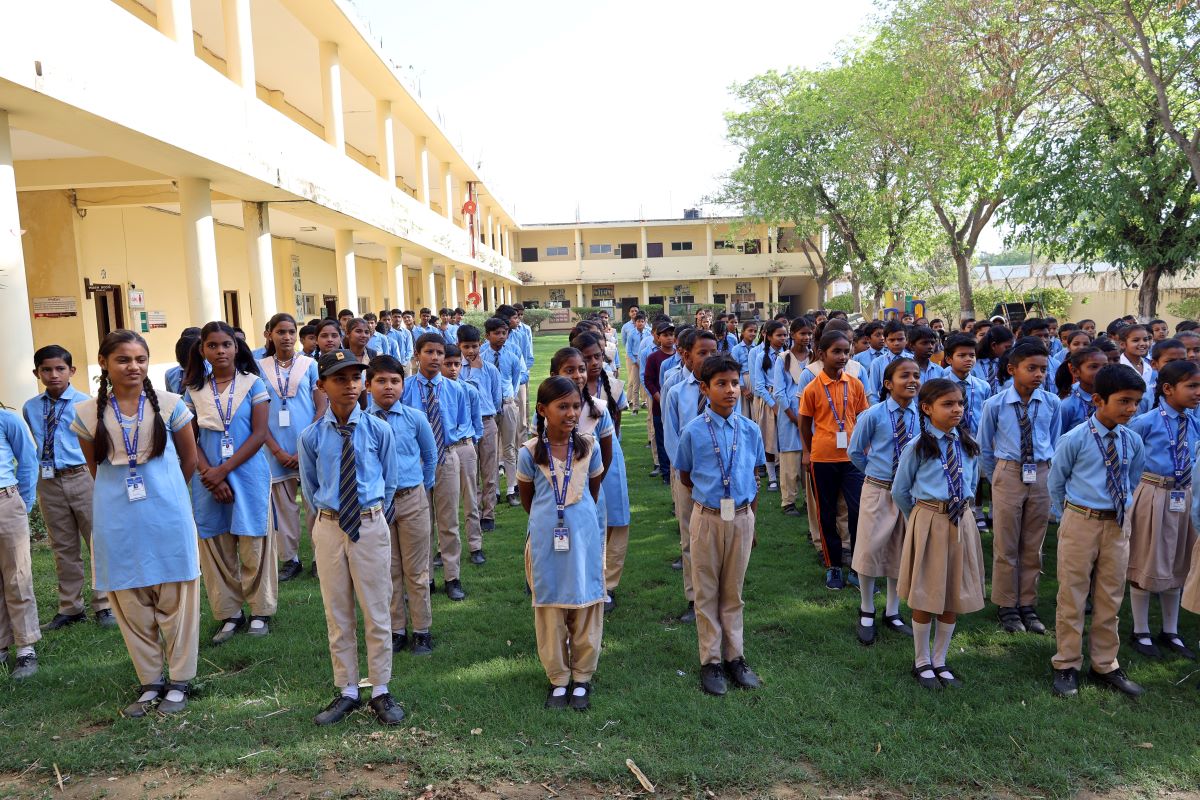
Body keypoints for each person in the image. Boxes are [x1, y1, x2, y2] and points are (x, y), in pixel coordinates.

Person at [71, 330, 201, 714]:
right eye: (123, 359)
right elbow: (95, 466)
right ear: (105, 364)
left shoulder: (171, 404)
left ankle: (179, 680)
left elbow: (189, 460)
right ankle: (150, 681)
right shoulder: (87, 413)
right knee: (130, 598)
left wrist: (166, 493)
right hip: (116, 519)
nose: (133, 366)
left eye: (140, 359)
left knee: (176, 596)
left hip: (167, 514)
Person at [299, 348, 404, 725]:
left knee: (377, 608)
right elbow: (310, 486)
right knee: (337, 611)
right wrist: (326, 520)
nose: (350, 385)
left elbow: (389, 480)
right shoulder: (311, 436)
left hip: (369, 522)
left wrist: (373, 515)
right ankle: (346, 689)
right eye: (340, 379)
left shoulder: (379, 429)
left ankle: (380, 689)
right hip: (329, 526)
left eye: (355, 378)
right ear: (322, 385)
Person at [1048, 364, 1147, 698]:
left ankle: (1106, 664)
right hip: (1080, 521)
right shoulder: (1075, 439)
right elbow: (1056, 482)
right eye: (1124, 401)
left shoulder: (1132, 440)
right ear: (1097, 400)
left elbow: (1131, 478)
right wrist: (1071, 517)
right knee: (1072, 594)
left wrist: (1119, 509)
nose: (1132, 409)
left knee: (1110, 596)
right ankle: (1066, 663)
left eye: (1136, 402)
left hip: (1117, 524)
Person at [676, 354, 766, 696]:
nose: (731, 390)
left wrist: (752, 521)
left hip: (742, 518)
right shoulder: (694, 431)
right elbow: (686, 476)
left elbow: (754, 477)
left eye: (734, 383)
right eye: (721, 384)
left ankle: (735, 657)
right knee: (707, 592)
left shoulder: (751, 429)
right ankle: (710, 661)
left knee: (734, 592)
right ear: (705, 388)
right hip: (708, 518)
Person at [182, 321, 274, 643]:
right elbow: (190, 438)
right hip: (207, 478)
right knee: (216, 543)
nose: (220, 351)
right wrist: (209, 473)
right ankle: (230, 613)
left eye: (226, 345)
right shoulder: (193, 391)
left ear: (236, 348)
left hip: (247, 473)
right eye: (213, 346)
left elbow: (260, 434)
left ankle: (260, 611)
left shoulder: (253, 384)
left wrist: (225, 470)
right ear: (203, 349)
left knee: (253, 542)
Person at [517, 377, 605, 711]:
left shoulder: (588, 447)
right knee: (550, 608)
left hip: (582, 541)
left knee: (584, 604)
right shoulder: (529, 453)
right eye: (562, 406)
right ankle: (558, 678)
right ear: (542, 410)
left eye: (575, 406)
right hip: (545, 542)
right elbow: (529, 501)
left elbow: (592, 491)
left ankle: (582, 676)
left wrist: (573, 518)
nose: (571, 413)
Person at [892, 379, 986, 690]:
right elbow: (900, 491)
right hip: (930, 518)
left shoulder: (968, 444)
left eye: (959, 403)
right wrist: (920, 520)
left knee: (953, 593)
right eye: (948, 404)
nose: (956, 409)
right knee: (927, 593)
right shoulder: (918, 446)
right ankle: (921, 661)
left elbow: (971, 483)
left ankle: (940, 658)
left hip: (963, 521)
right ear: (927, 408)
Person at [24, 345, 113, 630]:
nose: (53, 375)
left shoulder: (85, 404)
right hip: (49, 480)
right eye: (46, 370)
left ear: (71, 371)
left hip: (81, 476)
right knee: (63, 546)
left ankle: (105, 604)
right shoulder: (31, 407)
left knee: (96, 539)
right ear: (37, 373)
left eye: (60, 369)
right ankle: (70, 607)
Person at [978, 341, 1061, 635]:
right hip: (1008, 472)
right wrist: (997, 476)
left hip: (1040, 473)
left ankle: (1027, 602)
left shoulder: (1051, 403)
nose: (1038, 374)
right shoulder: (995, 404)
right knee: (1006, 543)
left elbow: (1054, 439)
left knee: (1033, 544)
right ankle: (1006, 604)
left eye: (1042, 369)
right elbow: (984, 446)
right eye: (1031, 368)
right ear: (1012, 370)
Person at [1126, 360, 1200, 660]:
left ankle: (1171, 630)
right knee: (1145, 557)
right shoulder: (1146, 422)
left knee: (1178, 560)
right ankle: (1140, 629)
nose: (1198, 392)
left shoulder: (1194, 421)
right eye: (1192, 386)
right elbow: (1127, 458)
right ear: (1168, 389)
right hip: (1153, 492)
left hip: (1184, 495)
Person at [366, 355, 437, 656]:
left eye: (394, 381)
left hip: (412, 500)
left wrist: (422, 488)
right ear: (368, 386)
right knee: (389, 570)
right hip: (379, 506)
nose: (388, 387)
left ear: (403, 384)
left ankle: (421, 630)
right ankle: (396, 630)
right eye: (380, 381)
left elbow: (430, 456)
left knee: (417, 570)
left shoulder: (414, 418)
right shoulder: (362, 422)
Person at [848, 357, 920, 645]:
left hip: (909, 493)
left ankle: (893, 611)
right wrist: (875, 475)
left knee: (899, 551)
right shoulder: (873, 415)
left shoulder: (923, 416)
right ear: (889, 384)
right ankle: (867, 608)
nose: (912, 380)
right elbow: (855, 452)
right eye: (905, 375)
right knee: (869, 549)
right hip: (878, 489)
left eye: (916, 375)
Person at [403, 334, 473, 601]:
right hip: (415, 461)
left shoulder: (456, 389)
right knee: (421, 523)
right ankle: (425, 578)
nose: (435, 358)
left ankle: (452, 576)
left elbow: (461, 422)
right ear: (417, 354)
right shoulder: (407, 388)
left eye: (439, 353)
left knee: (448, 520)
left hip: (446, 456)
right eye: (429, 352)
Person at [800, 330, 869, 590]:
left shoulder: (855, 383)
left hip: (852, 459)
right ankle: (834, 567)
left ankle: (857, 566)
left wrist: (866, 448)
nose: (842, 356)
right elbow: (805, 423)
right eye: (836, 351)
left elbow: (863, 418)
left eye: (846, 351)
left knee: (858, 510)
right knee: (826, 514)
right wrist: (807, 452)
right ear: (822, 354)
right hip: (823, 459)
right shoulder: (812, 388)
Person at [258, 314, 324, 583]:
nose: (286, 337)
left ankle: (321, 556)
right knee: (282, 506)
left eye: (291, 331)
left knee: (316, 503)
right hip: (274, 447)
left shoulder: (310, 364)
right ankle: (290, 559)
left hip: (307, 446)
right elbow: (257, 413)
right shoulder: (258, 367)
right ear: (269, 334)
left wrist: (304, 444)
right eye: (281, 332)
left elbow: (321, 406)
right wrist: (276, 450)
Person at [664, 330, 720, 622]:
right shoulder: (676, 391)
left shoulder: (723, 388)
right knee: (691, 537)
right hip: (687, 476)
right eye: (703, 353)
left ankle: (719, 595)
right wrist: (685, 473)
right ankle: (694, 597)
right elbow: (671, 437)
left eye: (713, 352)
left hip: (718, 476)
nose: (709, 358)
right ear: (688, 356)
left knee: (719, 535)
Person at [573, 333, 631, 613]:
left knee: (616, 519)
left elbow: (614, 430)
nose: (593, 363)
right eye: (586, 358)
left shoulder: (614, 386)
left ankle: (608, 584)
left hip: (610, 457)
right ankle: (583, 576)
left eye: (597, 356)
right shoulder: (567, 391)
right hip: (577, 463)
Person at [0, 390, 40, 681]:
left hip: (5, 501)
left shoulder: (7, 420)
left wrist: (23, 503)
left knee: (17, 575)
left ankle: (25, 648)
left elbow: (28, 460)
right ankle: (1, 644)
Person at [442, 343, 485, 564]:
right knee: (444, 504)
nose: (452, 369)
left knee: (470, 497)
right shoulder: (435, 391)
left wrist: (471, 442)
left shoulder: (469, 390)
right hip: (443, 449)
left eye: (456, 364)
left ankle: (475, 545)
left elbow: (478, 423)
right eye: (447, 364)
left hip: (465, 445)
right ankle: (443, 548)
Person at [459, 325, 503, 533]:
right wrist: (473, 372)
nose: (471, 351)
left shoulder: (490, 369)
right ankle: (474, 511)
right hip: (466, 425)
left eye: (474, 346)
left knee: (489, 468)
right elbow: (466, 394)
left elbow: (496, 398)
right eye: (466, 347)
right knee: (470, 472)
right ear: (459, 346)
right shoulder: (454, 370)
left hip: (486, 421)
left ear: (480, 345)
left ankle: (489, 513)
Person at [772, 317, 814, 517]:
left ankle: (809, 500)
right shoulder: (783, 358)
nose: (806, 337)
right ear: (793, 334)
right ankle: (788, 501)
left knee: (810, 457)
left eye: (809, 333)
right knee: (790, 459)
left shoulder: (815, 357)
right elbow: (778, 392)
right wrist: (794, 417)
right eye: (802, 333)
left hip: (812, 412)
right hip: (790, 414)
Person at [484, 317, 524, 508]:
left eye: (504, 333)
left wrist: (510, 398)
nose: (501, 337)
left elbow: (516, 380)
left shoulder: (512, 356)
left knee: (509, 448)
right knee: (490, 450)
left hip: (508, 404)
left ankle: (511, 489)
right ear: (487, 335)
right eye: (496, 333)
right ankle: (494, 491)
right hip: (489, 409)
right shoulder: (482, 357)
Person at [751, 321, 788, 491]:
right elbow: (758, 385)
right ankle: (772, 477)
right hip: (768, 401)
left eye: (784, 335)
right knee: (769, 439)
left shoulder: (788, 355)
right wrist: (773, 404)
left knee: (785, 438)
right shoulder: (760, 356)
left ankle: (786, 476)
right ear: (768, 336)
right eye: (779, 335)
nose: (782, 338)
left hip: (785, 398)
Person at [644, 322, 677, 484]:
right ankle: (665, 473)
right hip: (659, 406)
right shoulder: (653, 358)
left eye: (671, 335)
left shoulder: (680, 356)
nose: (669, 338)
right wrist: (660, 397)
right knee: (662, 439)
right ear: (658, 338)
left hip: (677, 406)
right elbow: (649, 380)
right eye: (665, 335)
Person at [1057, 347, 1107, 433]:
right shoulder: (1067, 405)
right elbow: (1059, 436)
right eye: (1094, 367)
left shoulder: (1112, 396)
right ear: (1075, 371)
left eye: (1105, 366)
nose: (1101, 371)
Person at [863, 321, 911, 400]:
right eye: (892, 340)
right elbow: (873, 393)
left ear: (906, 340)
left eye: (900, 339)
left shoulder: (913, 360)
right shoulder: (877, 363)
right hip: (885, 407)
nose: (896, 343)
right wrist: (879, 411)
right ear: (885, 341)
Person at [972, 326, 1014, 393]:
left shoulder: (1008, 364)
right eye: (1007, 347)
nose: (1010, 351)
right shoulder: (974, 364)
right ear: (993, 345)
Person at [624, 313, 648, 414]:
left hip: (646, 360)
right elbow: (628, 350)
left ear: (645, 322)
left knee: (646, 383)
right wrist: (635, 361)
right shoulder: (632, 334)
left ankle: (646, 402)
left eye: (642, 321)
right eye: (638, 321)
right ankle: (635, 407)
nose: (640, 323)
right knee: (635, 384)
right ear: (635, 323)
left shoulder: (648, 333)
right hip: (636, 359)